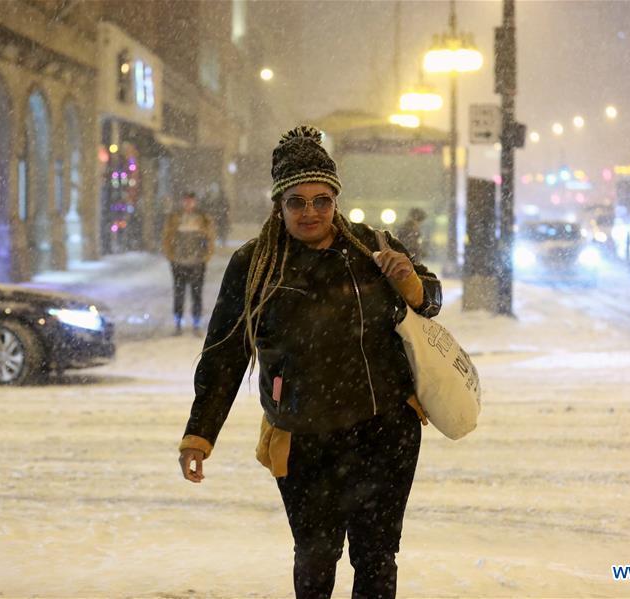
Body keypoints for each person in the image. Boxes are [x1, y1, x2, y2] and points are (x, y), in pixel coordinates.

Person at [177, 125, 442, 598]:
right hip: (303, 437)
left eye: (322, 200)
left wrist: (412, 284)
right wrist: (200, 433)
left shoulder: (370, 247)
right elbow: (224, 353)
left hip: (384, 430)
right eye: (297, 201)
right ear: (278, 205)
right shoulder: (255, 263)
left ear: (335, 200)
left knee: (377, 556)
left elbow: (431, 301)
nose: (310, 212)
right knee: (316, 558)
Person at [161, 191, 216, 336]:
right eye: (186, 200)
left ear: (195, 201)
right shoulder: (174, 218)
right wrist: (170, 255)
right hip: (178, 262)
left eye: (191, 201)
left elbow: (210, 237)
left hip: (197, 262)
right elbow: (167, 236)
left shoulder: (203, 218)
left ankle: (196, 323)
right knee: (179, 293)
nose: (188, 204)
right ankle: (178, 323)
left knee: (196, 293)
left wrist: (206, 256)